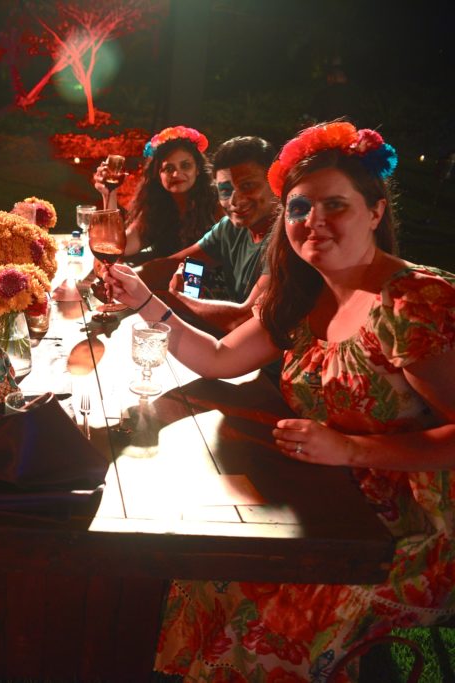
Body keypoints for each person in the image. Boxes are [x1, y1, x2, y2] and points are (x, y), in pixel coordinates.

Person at [101, 122, 455, 681]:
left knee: (267, 618)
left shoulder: (413, 303)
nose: (313, 221)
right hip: (326, 497)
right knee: (206, 570)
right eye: (299, 208)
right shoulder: (303, 292)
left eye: (334, 205)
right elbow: (219, 358)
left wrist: (348, 447)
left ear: (375, 212)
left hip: (417, 529)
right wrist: (144, 299)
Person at [133, 135, 279, 334]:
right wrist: (123, 279)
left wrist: (179, 300)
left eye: (247, 186)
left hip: (271, 356)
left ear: (275, 182)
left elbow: (244, 319)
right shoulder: (230, 226)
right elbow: (170, 264)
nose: (235, 200)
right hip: (228, 340)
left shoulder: (286, 238)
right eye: (225, 190)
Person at [93, 126, 221, 260]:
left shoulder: (216, 205)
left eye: (185, 165)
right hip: (164, 279)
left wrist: (149, 270)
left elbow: (211, 257)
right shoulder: (156, 209)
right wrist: (109, 194)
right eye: (168, 168)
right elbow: (117, 247)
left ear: (198, 169)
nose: (176, 174)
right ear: (158, 175)